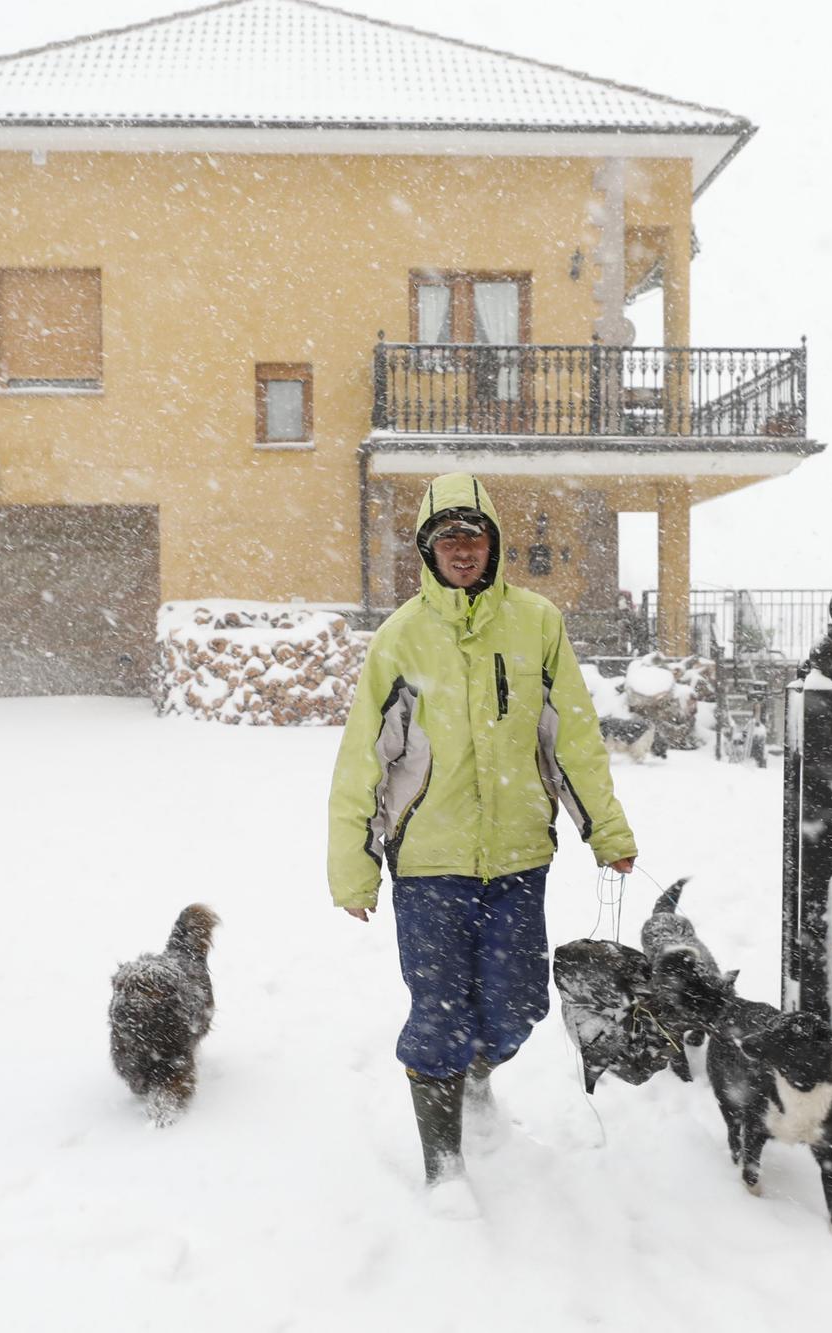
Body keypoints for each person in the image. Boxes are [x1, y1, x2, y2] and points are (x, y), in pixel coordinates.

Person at [328, 472, 638, 1210]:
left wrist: (607, 831)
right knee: (438, 1008)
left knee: (518, 1002)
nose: (462, 551)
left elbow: (574, 739)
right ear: (428, 550)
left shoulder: (536, 624)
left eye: (473, 537)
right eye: (447, 538)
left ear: (493, 543)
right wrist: (354, 865)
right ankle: (444, 1166)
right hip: (429, 864)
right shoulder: (400, 637)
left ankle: (474, 1078)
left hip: (518, 857)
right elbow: (363, 758)